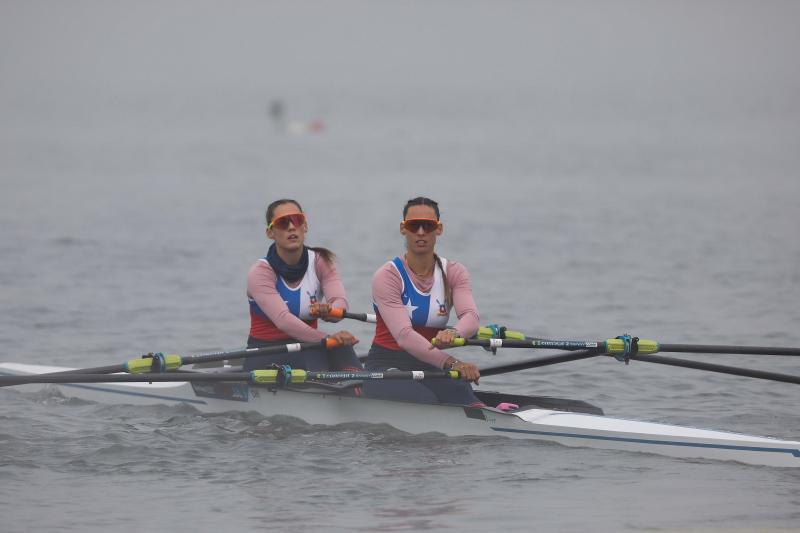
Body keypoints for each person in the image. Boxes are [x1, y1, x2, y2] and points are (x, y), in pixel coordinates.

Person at [364, 196, 484, 406]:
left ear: (439, 229)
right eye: (413, 226)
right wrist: (451, 363)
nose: (420, 232)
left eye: (427, 226)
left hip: (429, 363)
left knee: (465, 399)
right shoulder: (387, 276)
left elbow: (471, 318)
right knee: (426, 401)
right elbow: (403, 336)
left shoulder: (454, 272)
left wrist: (454, 333)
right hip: (387, 365)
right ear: (403, 229)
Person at [244, 199, 362, 373]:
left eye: (297, 220)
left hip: (310, 347)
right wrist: (327, 339)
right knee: (330, 347)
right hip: (268, 352)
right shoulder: (261, 272)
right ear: (270, 233)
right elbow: (283, 320)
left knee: (342, 348)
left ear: (305, 226)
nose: (291, 227)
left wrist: (330, 310)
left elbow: (340, 303)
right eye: (283, 223)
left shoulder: (321, 261)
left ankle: (360, 390)